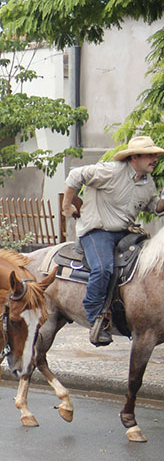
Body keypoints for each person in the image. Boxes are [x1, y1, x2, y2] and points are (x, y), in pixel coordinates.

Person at [61, 135, 164, 346]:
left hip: (125, 232)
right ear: (134, 157)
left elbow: (153, 206)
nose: (155, 159)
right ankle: (94, 313)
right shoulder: (110, 171)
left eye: (156, 155)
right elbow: (74, 175)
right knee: (103, 267)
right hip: (96, 231)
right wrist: (66, 206)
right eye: (150, 155)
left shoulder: (147, 182)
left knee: (145, 267)